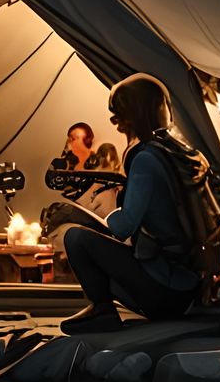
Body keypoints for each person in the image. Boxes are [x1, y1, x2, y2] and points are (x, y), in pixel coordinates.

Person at [50, 73, 208, 334]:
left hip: (165, 288)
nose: (116, 124)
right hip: (188, 287)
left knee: (76, 239)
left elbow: (123, 226)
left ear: (135, 113)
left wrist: (103, 206)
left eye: (119, 115)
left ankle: (102, 310)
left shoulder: (146, 159)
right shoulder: (179, 153)